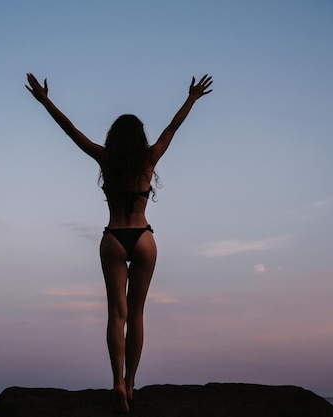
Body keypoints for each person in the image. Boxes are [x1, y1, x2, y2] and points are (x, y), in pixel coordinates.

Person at [26, 72, 213, 412]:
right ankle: (131, 383)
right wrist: (192, 99)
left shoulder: (105, 158)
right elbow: (172, 128)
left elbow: (71, 131)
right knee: (137, 314)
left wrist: (44, 100)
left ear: (114, 137)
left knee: (117, 314)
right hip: (143, 237)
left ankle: (116, 385)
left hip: (113, 238)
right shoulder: (150, 158)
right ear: (139, 137)